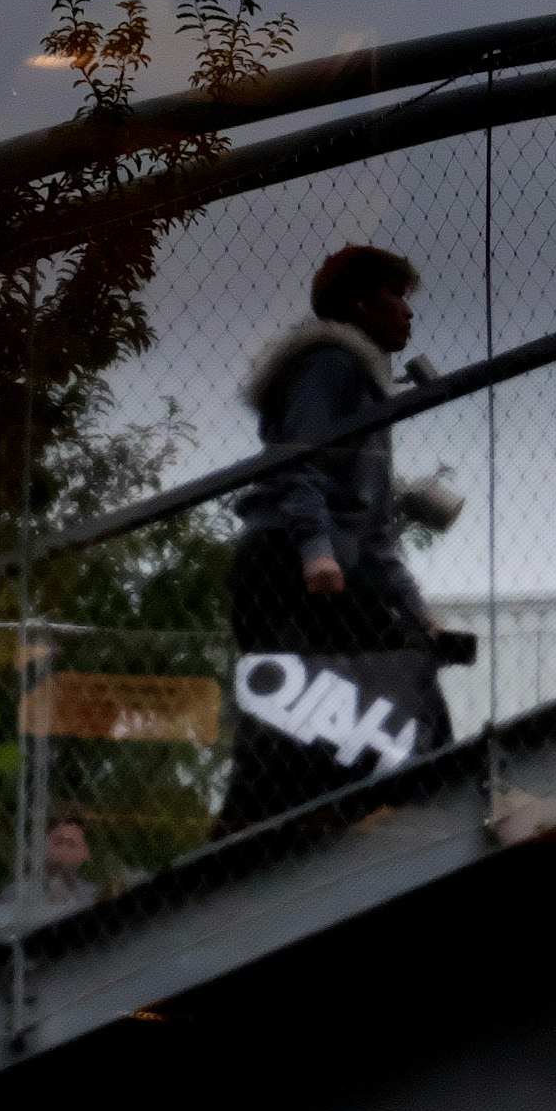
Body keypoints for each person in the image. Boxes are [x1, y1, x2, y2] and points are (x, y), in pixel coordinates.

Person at [223, 244, 475, 835]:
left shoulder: (366, 389)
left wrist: (421, 615)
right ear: (359, 303)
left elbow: (379, 532)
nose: (408, 312)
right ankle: (272, 820)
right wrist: (316, 551)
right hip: (289, 562)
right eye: (396, 298)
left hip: (336, 562)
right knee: (295, 694)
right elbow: (299, 462)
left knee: (383, 668)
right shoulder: (330, 365)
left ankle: (360, 807)